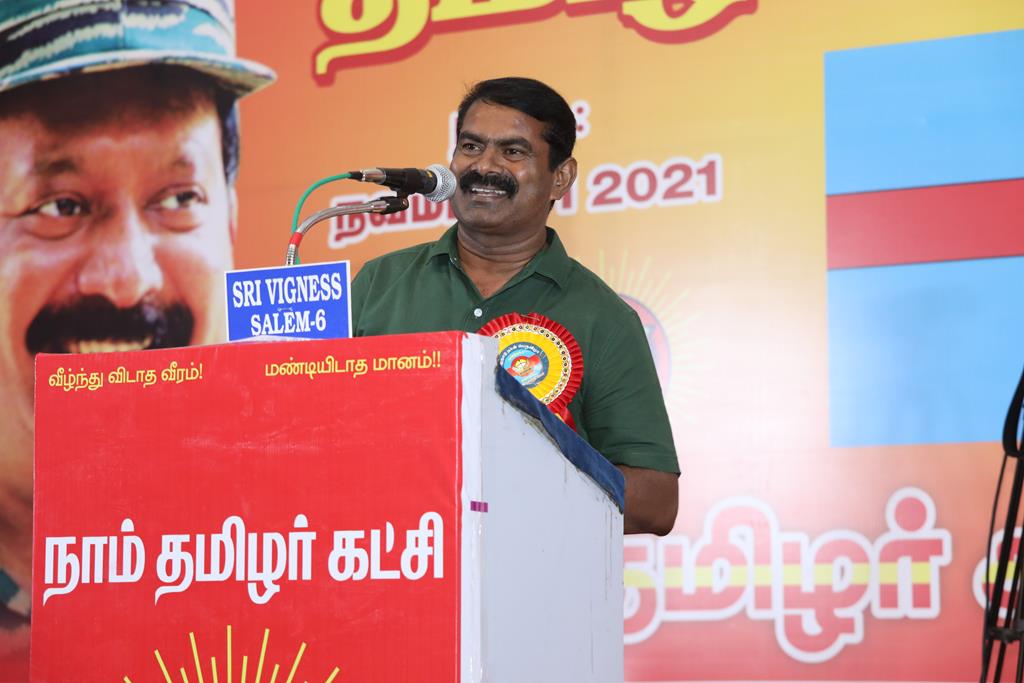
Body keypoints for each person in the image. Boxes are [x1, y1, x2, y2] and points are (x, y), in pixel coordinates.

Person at [0, 0, 274, 670]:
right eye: (60, 206)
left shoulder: (316, 562)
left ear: (231, 223)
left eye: (179, 199)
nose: (127, 280)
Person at [352, 77, 680, 535]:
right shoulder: (378, 284)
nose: (484, 166)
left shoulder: (603, 317)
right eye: (471, 146)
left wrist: (513, 483)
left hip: (531, 572)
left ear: (560, 178)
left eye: (513, 151)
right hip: (387, 562)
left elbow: (656, 502)